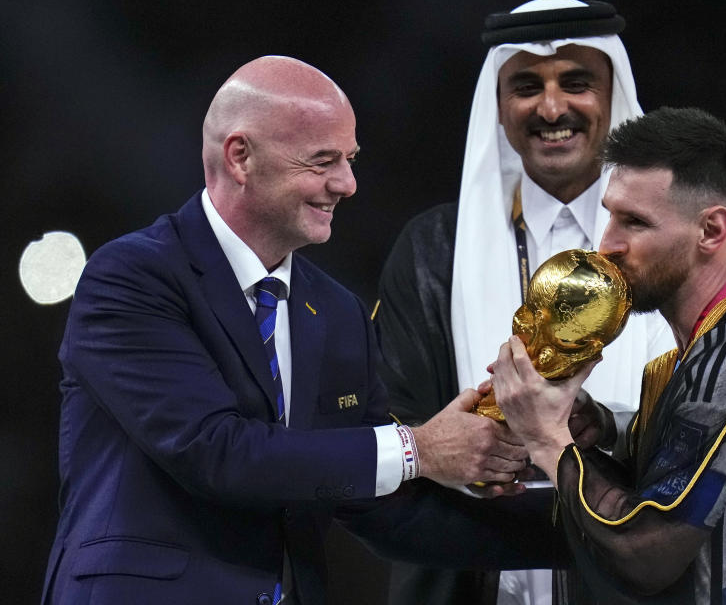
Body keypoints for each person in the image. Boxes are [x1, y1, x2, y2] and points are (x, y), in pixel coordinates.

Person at [41, 56, 561, 605]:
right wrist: (417, 448)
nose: (348, 183)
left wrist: (598, 525)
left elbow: (383, 503)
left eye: (351, 159)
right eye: (322, 161)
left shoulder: (337, 313)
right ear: (240, 157)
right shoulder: (131, 277)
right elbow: (216, 452)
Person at [375, 0, 726, 605]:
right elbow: (384, 431)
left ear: (613, 96)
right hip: (471, 581)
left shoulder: (679, 247)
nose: (552, 107)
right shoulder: (432, 250)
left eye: (577, 82)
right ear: (500, 105)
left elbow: (722, 423)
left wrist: (607, 428)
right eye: (527, 85)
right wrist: (441, 449)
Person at [491, 107, 726, 604]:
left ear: (711, 231)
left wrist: (546, 440)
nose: (607, 244)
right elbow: (663, 486)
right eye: (610, 214)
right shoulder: (705, 348)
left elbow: (644, 554)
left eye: (634, 222)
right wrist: (601, 432)